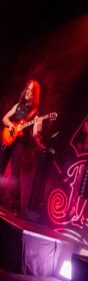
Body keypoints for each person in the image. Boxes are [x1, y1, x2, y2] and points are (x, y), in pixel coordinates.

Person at [1, 80, 44, 215]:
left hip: (19, 143)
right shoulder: (18, 106)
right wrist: (11, 126)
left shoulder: (35, 113)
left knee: (15, 174)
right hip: (8, 139)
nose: (28, 92)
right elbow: (4, 118)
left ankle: (16, 206)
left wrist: (38, 127)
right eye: (27, 89)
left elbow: (36, 134)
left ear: (35, 95)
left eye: (31, 91)